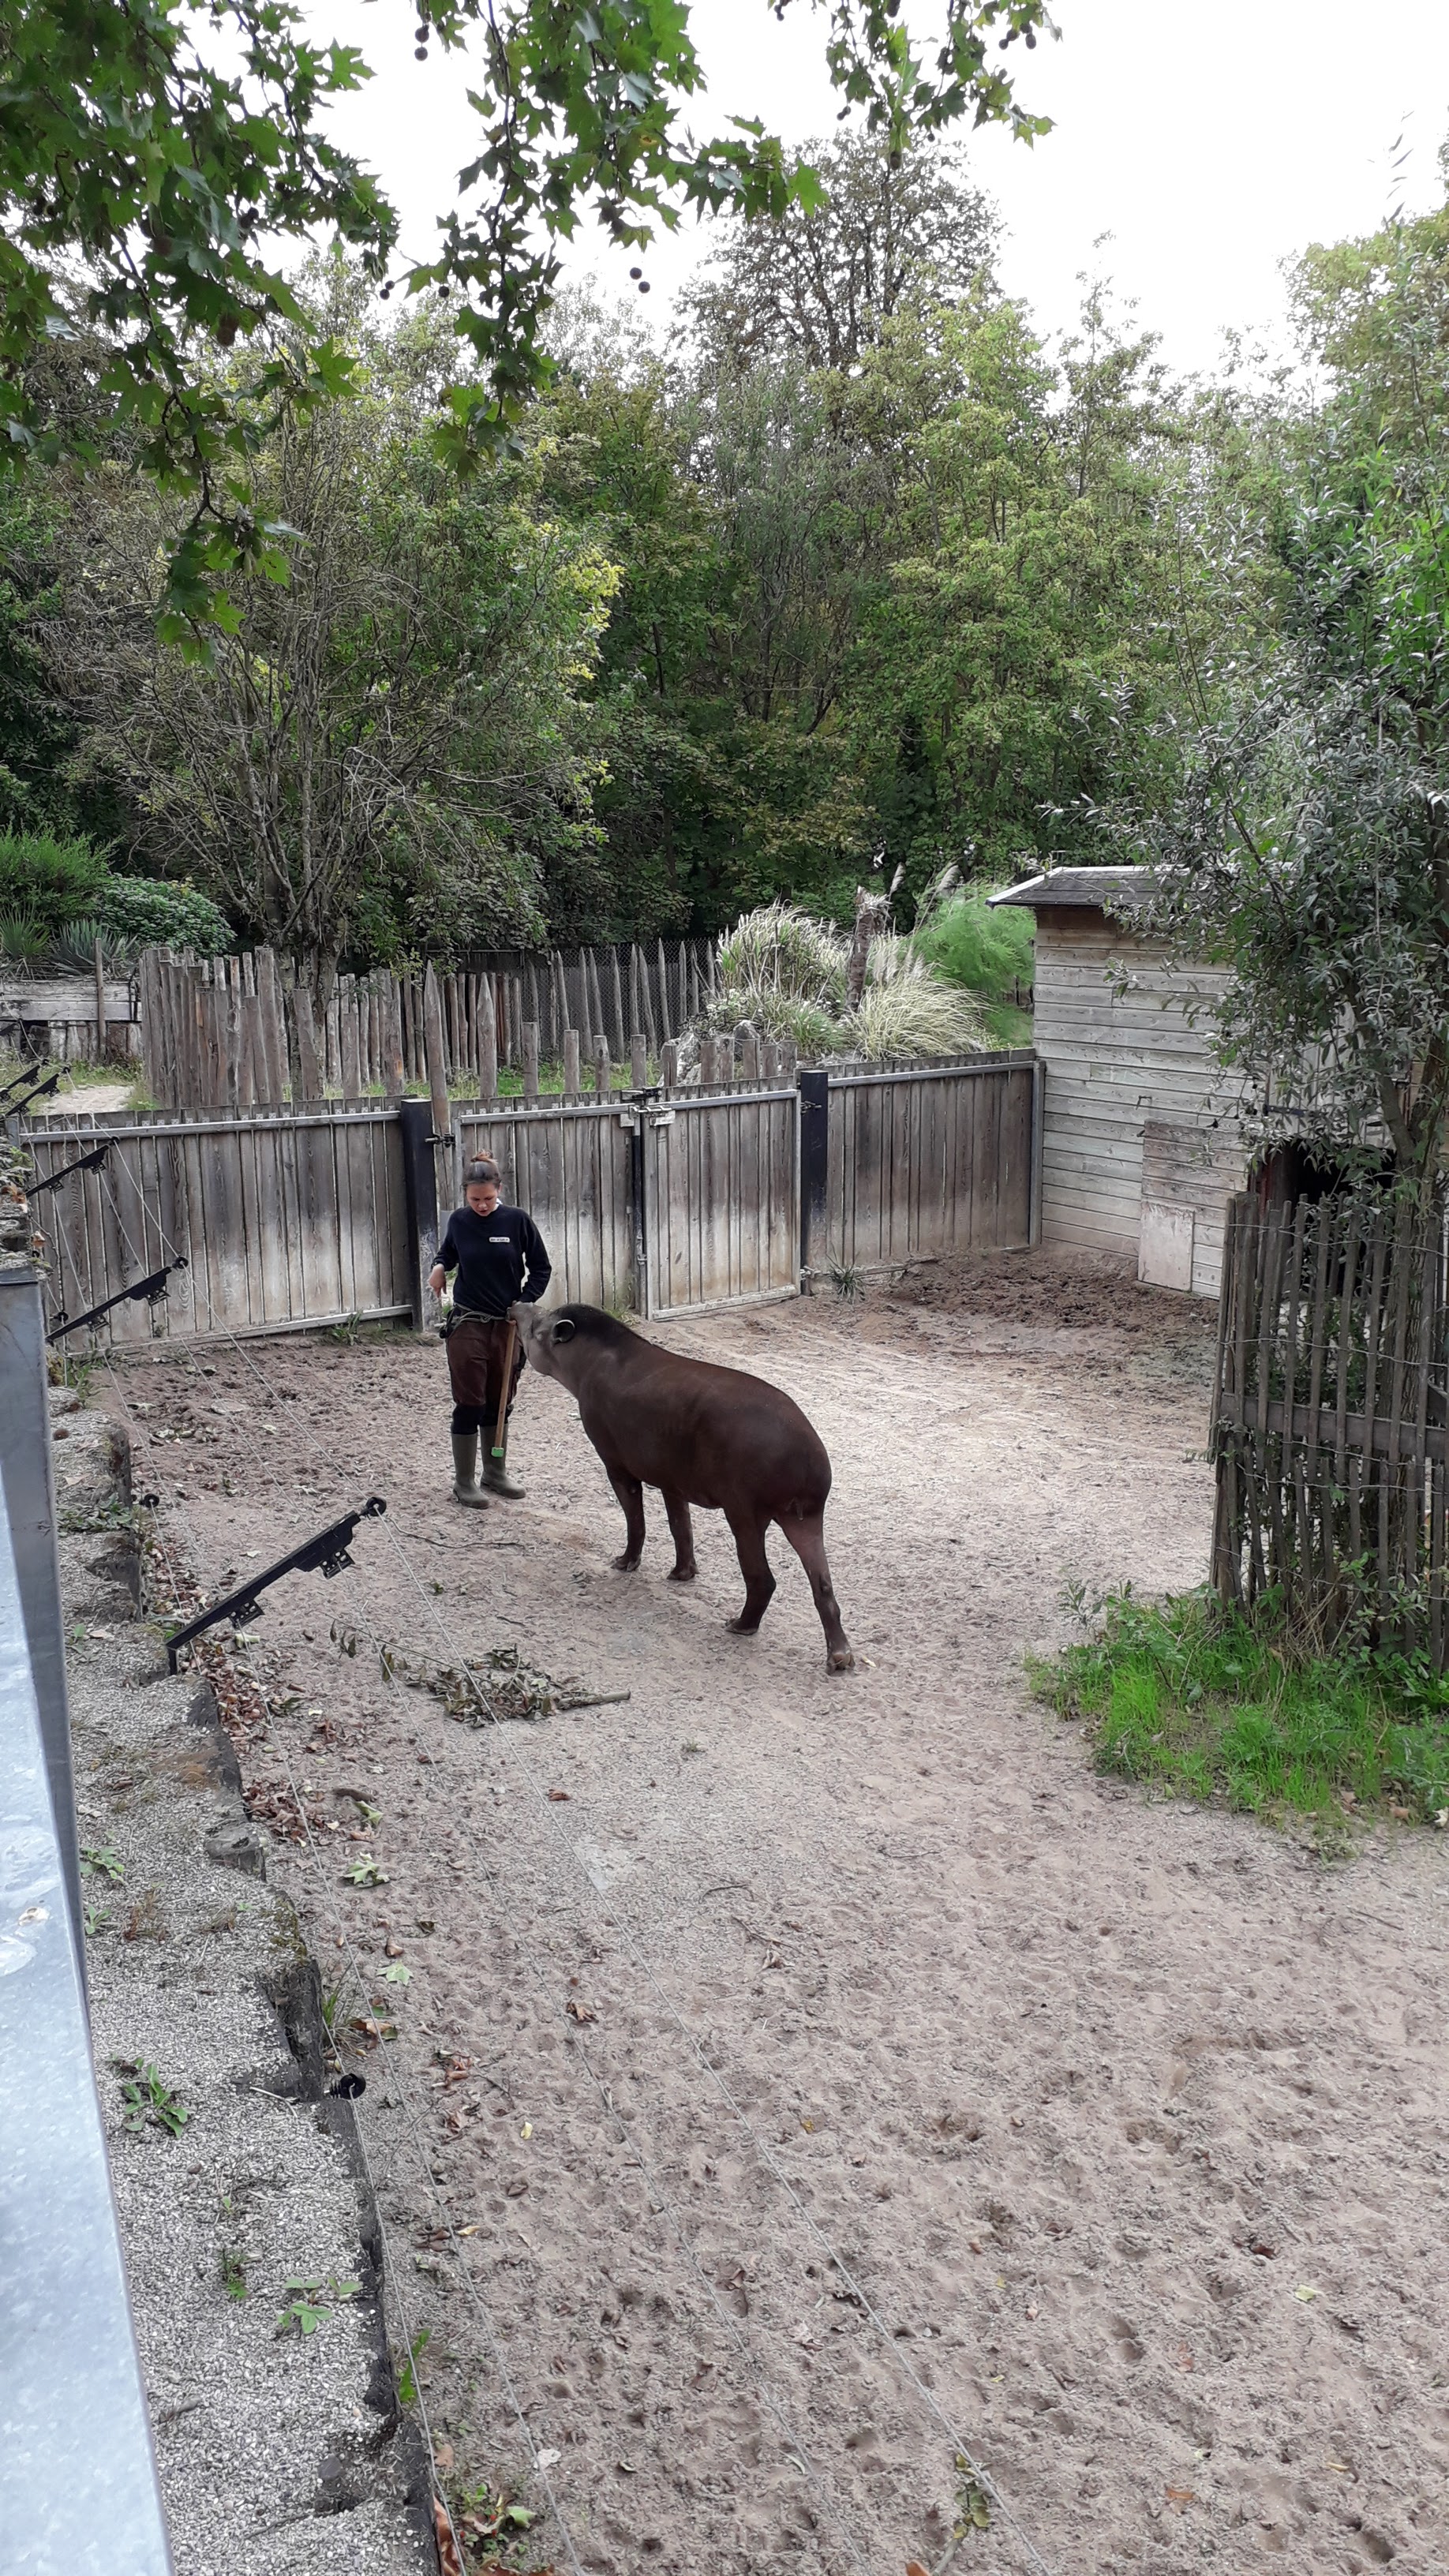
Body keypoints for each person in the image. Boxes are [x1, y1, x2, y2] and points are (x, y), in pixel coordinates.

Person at [429, 1156, 552, 1507]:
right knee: (471, 1402)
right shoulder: (459, 1221)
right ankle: (464, 1482)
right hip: (468, 1322)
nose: (481, 1206)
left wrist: (524, 1303)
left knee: (500, 1403)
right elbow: (448, 1253)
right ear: (465, 1195)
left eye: (487, 1198)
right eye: (474, 1199)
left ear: (499, 1190)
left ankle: (495, 1473)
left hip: (507, 1326)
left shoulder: (517, 1221)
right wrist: (439, 1266)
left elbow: (541, 1268)